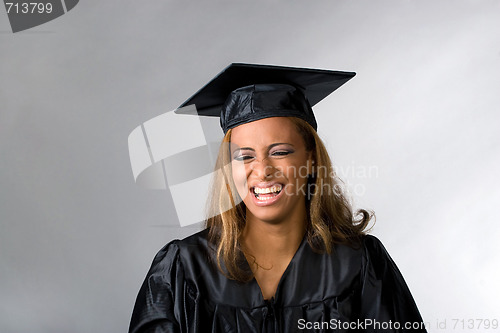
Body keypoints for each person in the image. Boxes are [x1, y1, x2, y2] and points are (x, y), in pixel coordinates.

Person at [128, 63, 427, 332]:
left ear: (310, 159)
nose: (262, 171)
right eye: (244, 156)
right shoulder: (185, 268)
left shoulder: (359, 263)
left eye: (280, 152)